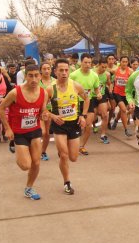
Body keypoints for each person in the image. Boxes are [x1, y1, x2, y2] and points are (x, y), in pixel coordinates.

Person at [0, 64, 50, 200]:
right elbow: (1, 109)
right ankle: (13, 144)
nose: (34, 79)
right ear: (25, 76)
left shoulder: (43, 93)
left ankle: (29, 188)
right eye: (30, 75)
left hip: (35, 130)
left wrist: (44, 115)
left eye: (36, 75)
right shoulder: (15, 92)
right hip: (18, 132)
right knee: (25, 165)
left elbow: (43, 111)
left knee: (37, 163)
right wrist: (8, 128)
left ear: (40, 76)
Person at [49, 58, 89, 195]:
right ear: (55, 72)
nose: (64, 73)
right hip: (59, 125)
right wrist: (53, 116)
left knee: (73, 157)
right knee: (64, 156)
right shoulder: (50, 89)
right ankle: (67, 182)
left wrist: (83, 115)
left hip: (74, 124)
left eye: (66, 70)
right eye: (61, 70)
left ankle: (63, 152)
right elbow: (42, 109)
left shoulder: (76, 86)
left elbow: (87, 98)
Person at [69, 54, 101, 155]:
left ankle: (82, 146)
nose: (87, 65)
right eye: (85, 62)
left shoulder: (94, 75)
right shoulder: (73, 75)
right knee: (75, 126)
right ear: (81, 62)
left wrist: (98, 93)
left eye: (89, 63)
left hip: (89, 101)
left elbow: (96, 88)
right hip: (75, 102)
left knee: (88, 126)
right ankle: (72, 145)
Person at [110, 55, 134, 137]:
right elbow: (106, 71)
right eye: (123, 62)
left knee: (123, 110)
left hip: (126, 94)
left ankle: (116, 120)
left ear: (128, 63)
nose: (124, 63)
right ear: (120, 62)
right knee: (123, 109)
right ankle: (126, 129)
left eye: (126, 62)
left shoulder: (130, 71)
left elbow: (134, 82)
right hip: (117, 93)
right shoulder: (115, 70)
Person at [94, 57, 112, 144]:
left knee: (105, 115)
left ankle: (103, 135)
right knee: (92, 117)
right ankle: (94, 123)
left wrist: (110, 90)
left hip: (102, 96)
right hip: (92, 96)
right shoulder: (92, 73)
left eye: (105, 67)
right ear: (98, 65)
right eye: (102, 67)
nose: (104, 69)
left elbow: (109, 83)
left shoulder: (107, 74)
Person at [38, 61, 54, 160]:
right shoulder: (37, 81)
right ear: (41, 70)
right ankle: (36, 150)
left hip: (50, 110)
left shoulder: (55, 81)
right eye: (44, 69)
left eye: (48, 68)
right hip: (38, 110)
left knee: (47, 133)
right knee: (42, 132)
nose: (46, 71)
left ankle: (43, 152)